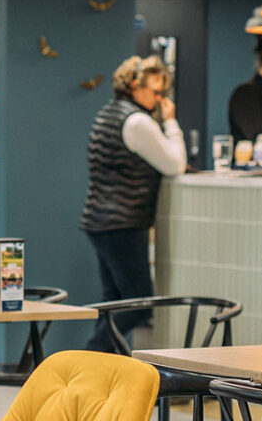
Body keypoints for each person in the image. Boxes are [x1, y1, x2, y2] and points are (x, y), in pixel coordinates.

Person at [80, 55, 187, 352]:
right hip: (123, 223)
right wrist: (171, 122)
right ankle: (85, 360)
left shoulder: (108, 113)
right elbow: (175, 164)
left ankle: (95, 376)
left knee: (114, 304)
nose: (159, 99)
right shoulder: (137, 121)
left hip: (101, 222)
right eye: (155, 92)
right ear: (134, 86)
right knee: (139, 305)